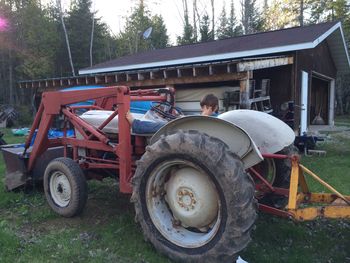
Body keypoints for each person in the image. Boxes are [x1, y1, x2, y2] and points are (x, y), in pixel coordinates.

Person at [126, 93, 219, 134]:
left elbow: (200, 119)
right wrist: (180, 116)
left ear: (208, 107)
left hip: (185, 131)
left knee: (160, 126)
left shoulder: (207, 119)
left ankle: (135, 124)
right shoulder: (217, 118)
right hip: (188, 128)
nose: (202, 110)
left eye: (203, 108)